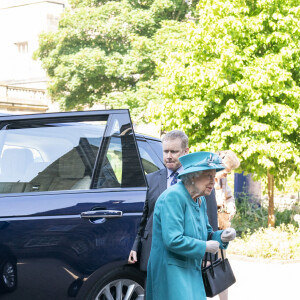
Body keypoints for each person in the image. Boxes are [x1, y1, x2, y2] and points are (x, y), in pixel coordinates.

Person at [146, 152, 236, 300]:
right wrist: (205, 247)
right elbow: (173, 240)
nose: (213, 181)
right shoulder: (173, 197)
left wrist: (222, 236)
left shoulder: (200, 199)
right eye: (208, 175)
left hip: (191, 270)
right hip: (171, 271)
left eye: (213, 176)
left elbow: (206, 233)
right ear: (193, 176)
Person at [128, 130, 189, 270]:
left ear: (186, 151)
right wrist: (135, 246)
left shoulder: (194, 180)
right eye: (165, 151)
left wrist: (208, 255)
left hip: (183, 253)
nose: (168, 156)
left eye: (174, 152)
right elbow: (143, 217)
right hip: (153, 251)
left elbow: (206, 219)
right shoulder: (151, 179)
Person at [214, 150, 240, 300]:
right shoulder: (204, 176)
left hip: (220, 226)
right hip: (205, 226)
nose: (226, 175)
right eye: (226, 171)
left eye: (229, 173)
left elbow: (229, 197)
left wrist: (231, 207)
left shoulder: (222, 180)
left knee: (222, 262)